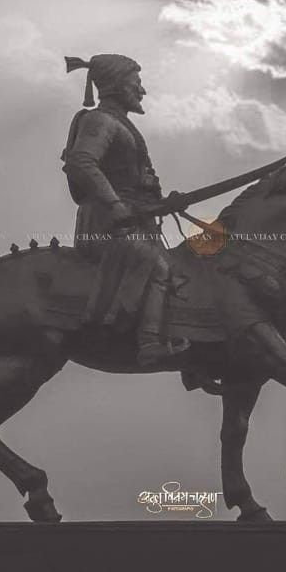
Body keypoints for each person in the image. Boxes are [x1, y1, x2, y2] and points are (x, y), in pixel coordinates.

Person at [61, 53, 190, 367]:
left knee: (179, 271)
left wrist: (163, 203)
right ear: (117, 85)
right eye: (136, 84)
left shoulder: (123, 125)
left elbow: (135, 183)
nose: (142, 91)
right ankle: (148, 343)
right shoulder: (101, 121)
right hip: (108, 226)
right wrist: (116, 205)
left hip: (134, 224)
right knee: (158, 268)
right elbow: (81, 162)